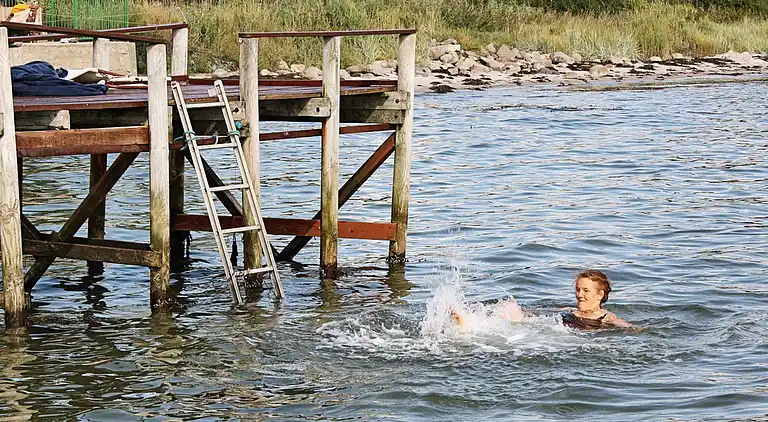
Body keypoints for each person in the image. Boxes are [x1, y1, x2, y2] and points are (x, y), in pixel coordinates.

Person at [450, 269, 631, 330]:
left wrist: (636, 330)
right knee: (510, 308)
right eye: (577, 289)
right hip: (553, 326)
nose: (580, 295)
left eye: (585, 290)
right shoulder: (569, 310)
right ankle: (472, 323)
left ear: (600, 295)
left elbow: (625, 326)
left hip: (571, 337)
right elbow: (542, 313)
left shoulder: (606, 317)